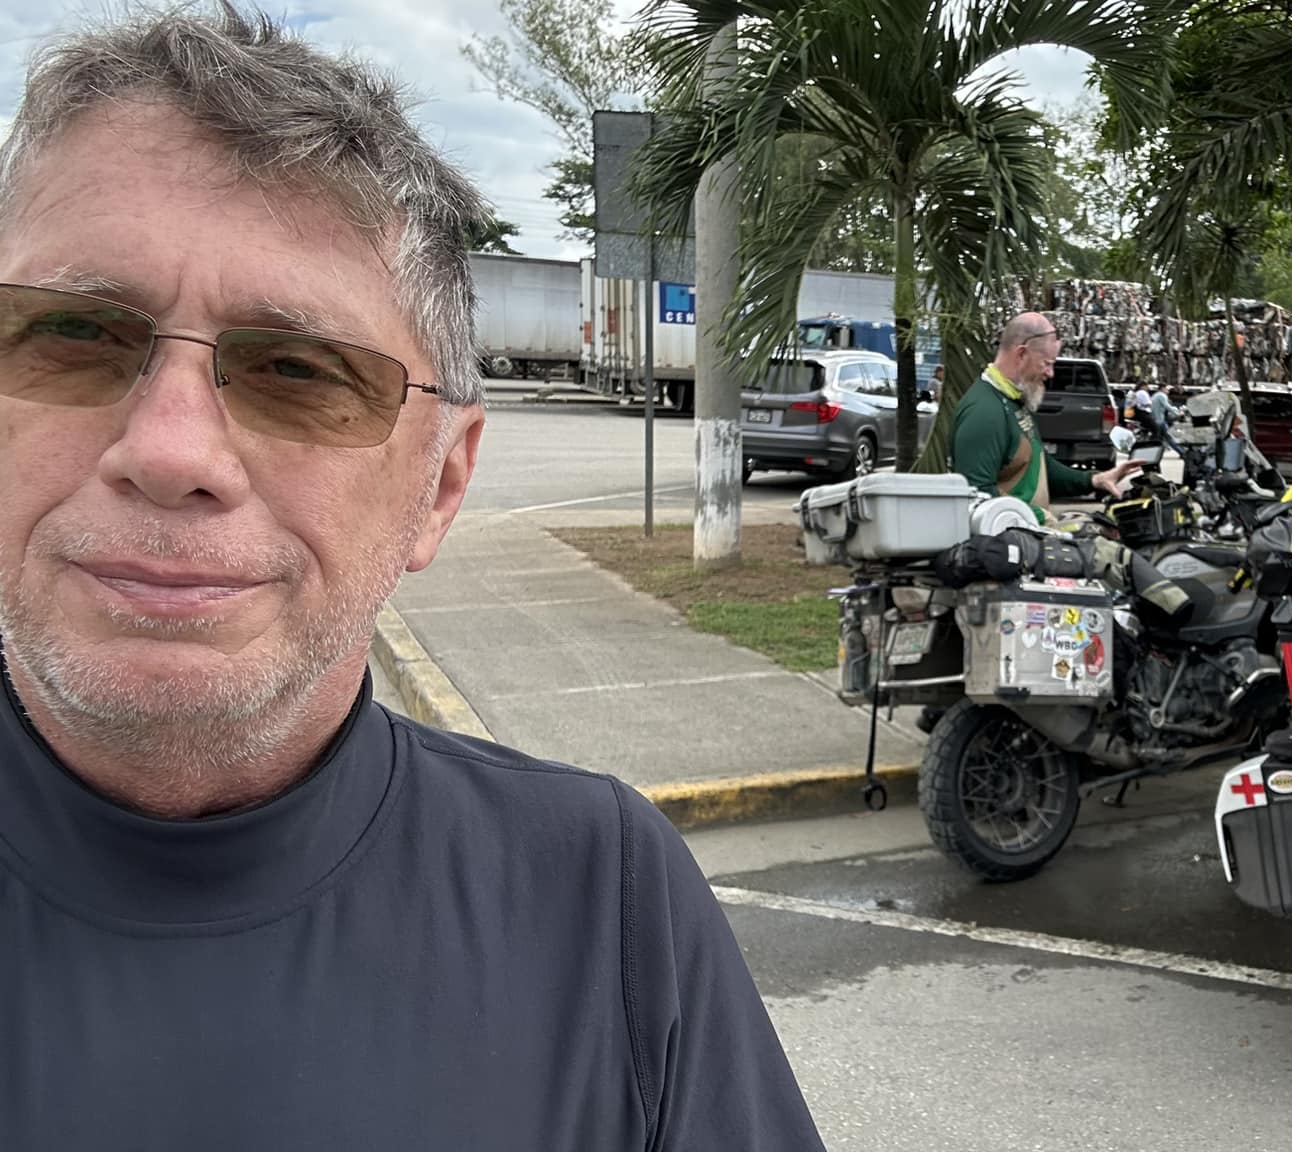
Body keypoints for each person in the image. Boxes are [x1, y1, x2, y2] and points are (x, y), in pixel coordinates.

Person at [0, 7, 825, 1150]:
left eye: (299, 370)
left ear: (440, 485)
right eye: (75, 336)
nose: (171, 451)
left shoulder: (600, 897)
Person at [947, 312, 1142, 522]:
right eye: (1047, 363)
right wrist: (1040, 517)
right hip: (1007, 539)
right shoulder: (985, 412)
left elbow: (1038, 467)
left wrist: (1094, 480)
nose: (1051, 373)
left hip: (1026, 534)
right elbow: (978, 499)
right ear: (1022, 354)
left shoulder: (1013, 400)